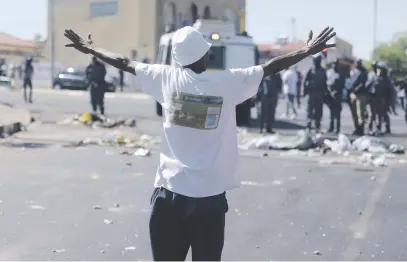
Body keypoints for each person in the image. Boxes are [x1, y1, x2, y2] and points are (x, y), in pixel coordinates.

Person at [64, 26, 336, 261]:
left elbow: (124, 62)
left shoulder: (165, 78)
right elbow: (271, 67)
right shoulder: (226, 83)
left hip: (168, 197)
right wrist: (306, 50)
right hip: (209, 201)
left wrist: (91, 49)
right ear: (204, 55)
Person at [304, 55, 327, 132]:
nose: (316, 61)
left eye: (318, 60)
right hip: (311, 92)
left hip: (320, 93)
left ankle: (317, 124)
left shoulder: (323, 70)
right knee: (309, 110)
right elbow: (306, 81)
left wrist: (325, 92)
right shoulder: (311, 70)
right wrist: (305, 91)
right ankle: (309, 124)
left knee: (319, 110)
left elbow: (325, 82)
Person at [348, 59, 368, 135]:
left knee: (360, 113)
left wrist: (354, 91)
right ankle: (357, 128)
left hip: (361, 94)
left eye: (358, 63)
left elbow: (362, 83)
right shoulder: (354, 71)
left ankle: (361, 130)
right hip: (354, 94)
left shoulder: (363, 72)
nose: (357, 64)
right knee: (355, 113)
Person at [371, 62, 392, 135]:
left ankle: (387, 128)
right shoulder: (376, 78)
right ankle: (378, 128)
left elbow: (390, 91)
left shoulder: (387, 80)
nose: (379, 70)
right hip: (376, 98)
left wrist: (389, 101)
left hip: (383, 99)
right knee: (377, 115)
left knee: (384, 114)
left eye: (380, 69)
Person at [326, 60, 345, 133]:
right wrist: (329, 92)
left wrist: (336, 91)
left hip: (338, 95)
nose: (335, 66)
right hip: (330, 95)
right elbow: (327, 82)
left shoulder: (340, 74)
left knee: (337, 113)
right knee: (331, 113)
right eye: (334, 64)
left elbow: (342, 85)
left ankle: (337, 128)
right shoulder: (329, 72)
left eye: (336, 65)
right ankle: (331, 127)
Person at [366, 61, 378, 134]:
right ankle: (369, 129)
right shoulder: (371, 74)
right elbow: (367, 84)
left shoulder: (379, 74)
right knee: (371, 114)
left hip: (378, 96)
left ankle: (376, 129)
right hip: (371, 96)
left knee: (377, 114)